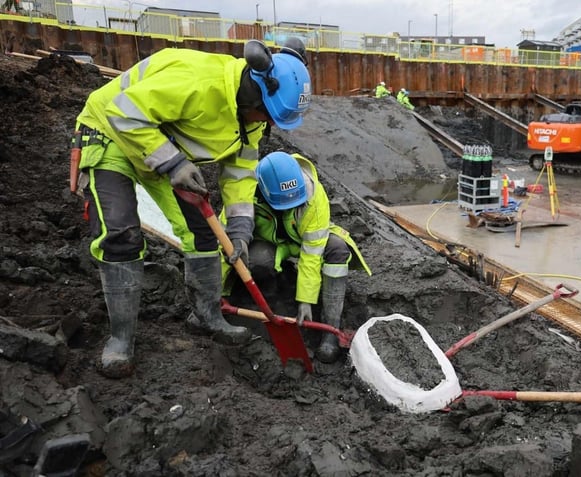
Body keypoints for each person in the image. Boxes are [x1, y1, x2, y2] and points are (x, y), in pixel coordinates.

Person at [73, 39, 312, 378]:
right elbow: (124, 112)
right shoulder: (199, 83)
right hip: (111, 132)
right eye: (267, 114)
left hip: (160, 149)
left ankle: (207, 317)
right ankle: (121, 340)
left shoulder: (253, 119)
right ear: (254, 89)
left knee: (202, 236)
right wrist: (173, 164)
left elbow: (241, 172)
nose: (267, 123)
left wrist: (241, 230)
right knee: (121, 234)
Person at [222, 151, 371, 363]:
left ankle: (330, 330)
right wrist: (213, 293)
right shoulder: (244, 193)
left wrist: (306, 301)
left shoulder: (313, 195)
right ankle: (272, 300)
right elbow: (222, 245)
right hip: (270, 244)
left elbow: (311, 254)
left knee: (337, 248)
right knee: (257, 260)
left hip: (303, 242)